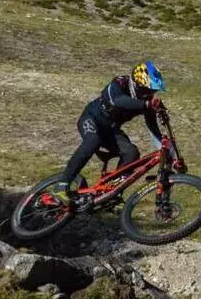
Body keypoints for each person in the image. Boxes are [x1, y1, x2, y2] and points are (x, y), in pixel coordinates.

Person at [53, 60, 167, 208]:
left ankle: (111, 192)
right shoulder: (119, 83)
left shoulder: (146, 101)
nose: (148, 95)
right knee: (92, 141)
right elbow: (117, 100)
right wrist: (146, 105)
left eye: (152, 92)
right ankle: (62, 185)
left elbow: (152, 127)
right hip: (92, 119)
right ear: (136, 84)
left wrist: (163, 146)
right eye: (146, 90)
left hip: (111, 130)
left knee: (131, 153)